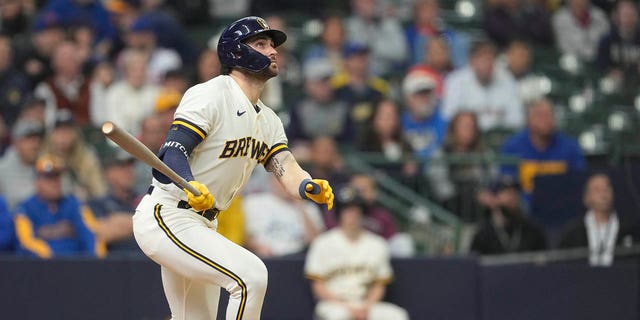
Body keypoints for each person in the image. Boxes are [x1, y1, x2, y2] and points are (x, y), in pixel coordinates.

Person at [132, 16, 335, 320]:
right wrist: (189, 182)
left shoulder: (268, 119)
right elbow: (169, 158)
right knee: (251, 277)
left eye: (273, 45)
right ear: (237, 52)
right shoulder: (211, 94)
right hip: (169, 214)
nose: (273, 51)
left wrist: (307, 186)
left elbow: (285, 166)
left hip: (202, 224)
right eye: (261, 43)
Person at [304, 186, 409, 320]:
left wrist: (366, 306)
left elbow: (379, 284)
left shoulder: (378, 244)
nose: (352, 215)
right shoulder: (322, 243)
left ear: (362, 213)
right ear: (339, 213)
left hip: (365, 303)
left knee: (397, 315)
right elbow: (318, 286)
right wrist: (346, 306)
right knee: (338, 316)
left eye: (356, 210)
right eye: (347, 210)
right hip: (334, 304)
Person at [13, 154, 101, 258]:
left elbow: (92, 236)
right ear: (37, 182)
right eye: (49, 178)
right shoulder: (25, 209)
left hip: (79, 266)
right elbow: (25, 243)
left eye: (57, 176)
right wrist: (54, 260)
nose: (55, 183)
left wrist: (95, 263)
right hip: (41, 269)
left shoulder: (75, 205)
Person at [500, 98, 586, 203]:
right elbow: (506, 182)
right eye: (539, 115)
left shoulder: (570, 147)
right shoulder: (512, 147)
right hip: (524, 208)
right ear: (528, 120)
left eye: (549, 115)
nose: (545, 120)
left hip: (561, 204)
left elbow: (579, 182)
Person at [442, 40, 524, 131]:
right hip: (467, 138)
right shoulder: (455, 81)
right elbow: (448, 116)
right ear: (472, 61)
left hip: (498, 137)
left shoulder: (507, 79)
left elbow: (517, 120)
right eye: (482, 59)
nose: (487, 64)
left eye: (490, 58)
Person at [558, 173, 635, 266]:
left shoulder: (630, 229)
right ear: (586, 197)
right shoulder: (572, 232)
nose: (603, 194)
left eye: (607, 189)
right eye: (597, 190)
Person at [243, 176, 325, 258]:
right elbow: (244, 236)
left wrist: (301, 206)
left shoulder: (309, 208)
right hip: (265, 258)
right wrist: (257, 247)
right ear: (273, 181)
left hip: (297, 258)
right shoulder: (254, 202)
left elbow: (316, 243)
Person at [470, 176, 548, 255]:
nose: (513, 197)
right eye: (508, 193)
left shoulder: (532, 231)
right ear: (493, 199)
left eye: (515, 193)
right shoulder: (483, 235)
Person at [87, 150, 140, 255]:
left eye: (130, 166)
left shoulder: (144, 199)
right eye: (122, 166)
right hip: (113, 266)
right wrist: (142, 223)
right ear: (108, 173)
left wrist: (118, 222)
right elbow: (101, 233)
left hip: (147, 265)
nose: (128, 171)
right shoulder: (97, 204)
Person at [0, 119, 45, 209]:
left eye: (37, 139)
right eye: (29, 139)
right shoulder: (2, 169)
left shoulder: (47, 164)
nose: (35, 145)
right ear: (16, 143)